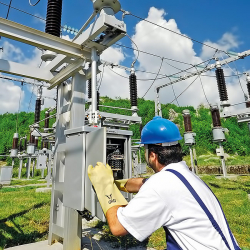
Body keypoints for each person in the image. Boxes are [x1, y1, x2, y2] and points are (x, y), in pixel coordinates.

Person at [88, 116, 241, 250]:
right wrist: (116, 183)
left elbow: (118, 227)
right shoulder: (185, 176)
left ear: (152, 155)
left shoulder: (160, 186)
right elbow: (143, 183)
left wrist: (105, 187)